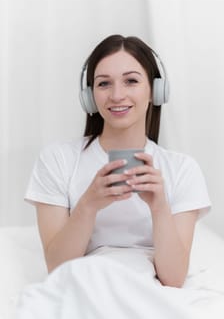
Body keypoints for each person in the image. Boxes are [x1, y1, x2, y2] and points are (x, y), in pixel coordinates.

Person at [24, 34, 211, 288]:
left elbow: (173, 278)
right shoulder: (57, 160)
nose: (117, 95)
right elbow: (57, 269)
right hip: (83, 287)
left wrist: (159, 207)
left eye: (131, 81)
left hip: (148, 293)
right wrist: (88, 205)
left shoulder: (182, 169)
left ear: (156, 91)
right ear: (89, 96)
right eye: (104, 84)